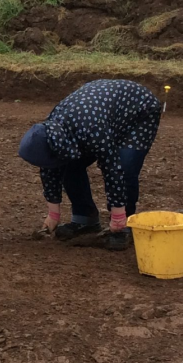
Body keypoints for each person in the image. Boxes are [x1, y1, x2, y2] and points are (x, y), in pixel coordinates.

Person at [17, 79, 161, 252]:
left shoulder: (91, 128)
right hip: (104, 115)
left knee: (125, 167)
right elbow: (50, 168)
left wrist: (117, 217)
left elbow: (112, 168)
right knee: (69, 164)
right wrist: (53, 215)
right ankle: (85, 218)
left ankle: (125, 226)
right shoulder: (51, 132)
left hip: (139, 111)